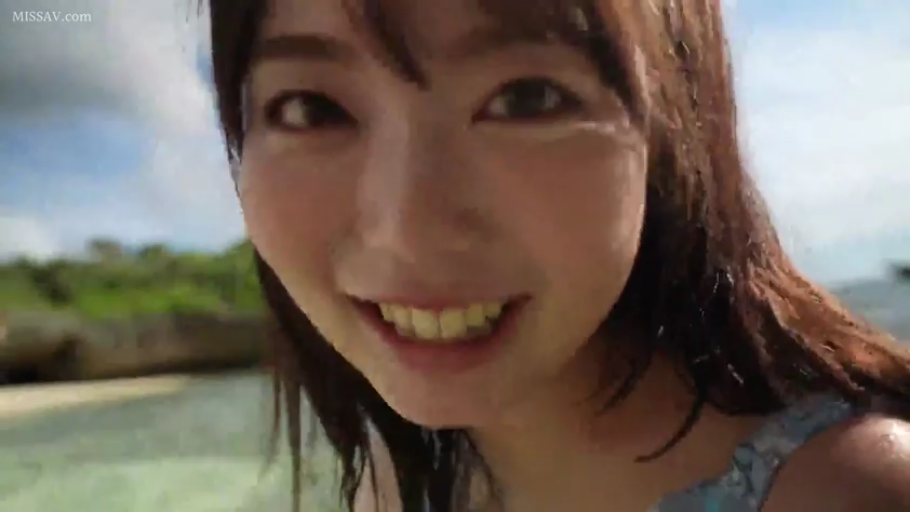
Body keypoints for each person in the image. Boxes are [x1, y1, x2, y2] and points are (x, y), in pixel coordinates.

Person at [205, 0, 910, 510]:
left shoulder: (851, 492)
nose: (406, 231)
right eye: (312, 108)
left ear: (674, 128)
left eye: (527, 98)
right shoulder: (398, 483)